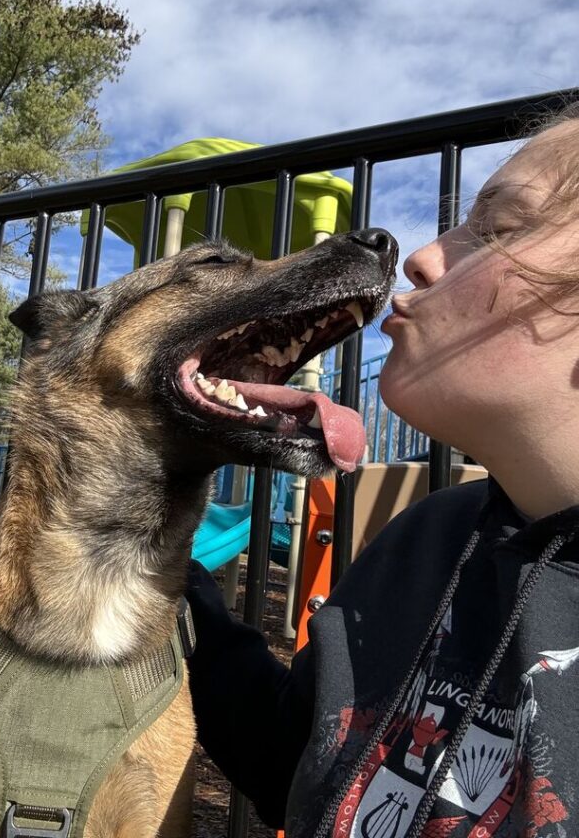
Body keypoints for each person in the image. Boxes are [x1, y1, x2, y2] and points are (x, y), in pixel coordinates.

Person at [185, 109, 579, 838]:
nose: (421, 258)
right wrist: (159, 567)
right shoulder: (431, 539)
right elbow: (295, 763)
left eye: (498, 229)